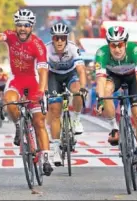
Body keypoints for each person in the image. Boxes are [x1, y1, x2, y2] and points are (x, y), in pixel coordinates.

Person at [0, 9, 52, 176]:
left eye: (26, 25)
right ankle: (18, 126)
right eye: (19, 25)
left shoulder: (38, 45)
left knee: (39, 123)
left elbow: (44, 71)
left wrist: (41, 91)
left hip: (33, 82)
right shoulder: (11, 36)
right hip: (16, 79)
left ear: (31, 27)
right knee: (8, 101)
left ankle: (46, 157)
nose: (22, 28)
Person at [95, 26, 137, 181]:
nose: (117, 48)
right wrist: (100, 99)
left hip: (133, 78)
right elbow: (100, 81)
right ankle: (114, 127)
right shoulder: (101, 53)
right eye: (113, 45)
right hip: (114, 77)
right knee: (106, 91)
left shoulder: (135, 50)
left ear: (126, 43)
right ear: (108, 45)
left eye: (120, 44)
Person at [45, 23, 87, 166]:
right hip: (53, 78)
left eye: (62, 38)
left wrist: (83, 87)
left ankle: (75, 119)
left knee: (78, 90)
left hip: (70, 75)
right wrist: (43, 90)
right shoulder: (46, 50)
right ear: (53, 39)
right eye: (57, 38)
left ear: (66, 38)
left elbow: (81, 70)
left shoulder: (73, 48)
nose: (60, 41)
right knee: (55, 112)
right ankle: (56, 150)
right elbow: (42, 72)